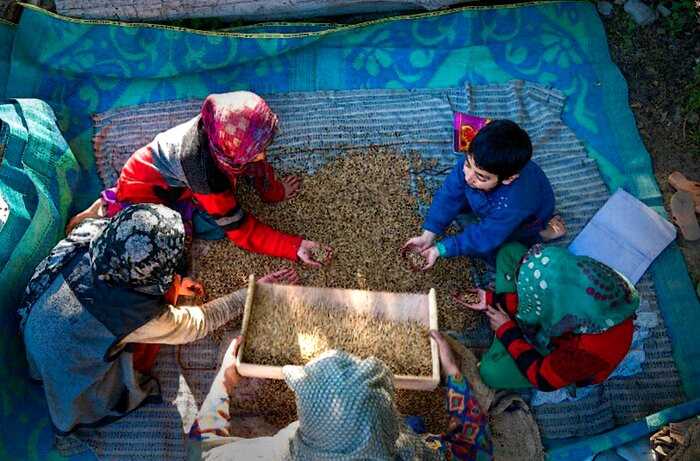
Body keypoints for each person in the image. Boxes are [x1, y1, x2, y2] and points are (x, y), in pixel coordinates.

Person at [19, 203, 298, 435]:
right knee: (139, 356)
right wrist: (251, 292)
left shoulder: (98, 233)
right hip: (70, 377)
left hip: (34, 327)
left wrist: (173, 283)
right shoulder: (128, 313)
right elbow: (199, 322)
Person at [67, 91, 329, 267]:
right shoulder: (206, 175)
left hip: (168, 175)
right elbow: (241, 231)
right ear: (228, 153)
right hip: (147, 189)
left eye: (263, 145)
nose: (261, 154)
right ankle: (108, 209)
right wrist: (293, 247)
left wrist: (274, 192)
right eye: (254, 150)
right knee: (210, 230)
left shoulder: (222, 126)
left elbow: (256, 163)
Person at [189, 331, 493, 461]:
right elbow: (471, 449)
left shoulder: (267, 456)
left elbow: (201, 449)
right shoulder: (412, 454)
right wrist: (454, 375)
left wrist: (225, 381)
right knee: (412, 427)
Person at [457, 242, 639, 391]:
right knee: (510, 252)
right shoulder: (593, 284)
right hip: (563, 313)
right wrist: (491, 299)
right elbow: (551, 296)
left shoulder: (586, 354)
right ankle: (512, 320)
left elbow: (542, 378)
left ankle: (509, 335)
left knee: (491, 372)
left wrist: (507, 332)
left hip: (555, 350)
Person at [403, 118, 563, 270]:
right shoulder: (477, 162)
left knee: (497, 252)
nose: (468, 176)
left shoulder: (513, 203)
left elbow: (486, 235)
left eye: (480, 176)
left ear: (508, 179)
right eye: (467, 164)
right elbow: (448, 196)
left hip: (526, 219)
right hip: (488, 198)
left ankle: (543, 233)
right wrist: (428, 235)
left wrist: (441, 249)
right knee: (456, 195)